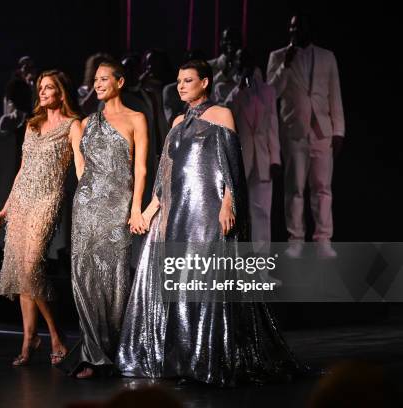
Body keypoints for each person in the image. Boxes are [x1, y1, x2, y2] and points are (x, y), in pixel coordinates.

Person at [117, 60, 306, 386]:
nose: (181, 85)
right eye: (178, 80)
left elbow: (231, 166)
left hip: (208, 211)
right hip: (179, 213)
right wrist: (147, 214)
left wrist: (227, 204)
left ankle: (209, 358)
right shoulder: (177, 122)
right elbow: (166, 179)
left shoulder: (222, 115)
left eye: (188, 80)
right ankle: (184, 360)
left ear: (205, 82)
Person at [58, 59, 148, 379]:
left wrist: (136, 207)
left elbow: (140, 169)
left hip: (117, 206)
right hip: (86, 206)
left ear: (119, 82)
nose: (97, 84)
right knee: (85, 277)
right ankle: (92, 352)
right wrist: (87, 191)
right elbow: (81, 166)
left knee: (115, 276)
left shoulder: (136, 119)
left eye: (103, 78)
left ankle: (116, 348)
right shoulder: (86, 121)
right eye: (95, 79)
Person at [0, 70, 82, 366]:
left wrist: (88, 199)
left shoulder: (73, 125)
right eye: (40, 88)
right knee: (20, 272)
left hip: (47, 198)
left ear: (61, 92)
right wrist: (5, 208)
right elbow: (22, 171)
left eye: (48, 88)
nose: (42, 92)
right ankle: (29, 338)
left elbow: (80, 168)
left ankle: (56, 335)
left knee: (31, 268)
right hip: (21, 201)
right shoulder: (32, 125)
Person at [267, 14, 345, 258]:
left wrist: (339, 130)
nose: (294, 32)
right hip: (294, 131)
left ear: (309, 30)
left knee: (323, 187)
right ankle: (296, 239)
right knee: (296, 188)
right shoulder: (278, 56)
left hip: (322, 130)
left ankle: (323, 239)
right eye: (291, 28)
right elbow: (270, 93)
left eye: (298, 28)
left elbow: (335, 95)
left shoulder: (326, 56)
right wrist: (285, 65)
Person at [225, 48, 281, 254]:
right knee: (236, 214)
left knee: (262, 214)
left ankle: (262, 273)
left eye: (247, 60)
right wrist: (238, 88)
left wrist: (276, 159)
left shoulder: (268, 91)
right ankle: (236, 270)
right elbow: (226, 113)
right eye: (241, 61)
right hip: (239, 158)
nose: (245, 65)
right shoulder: (229, 89)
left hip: (263, 160)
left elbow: (273, 126)